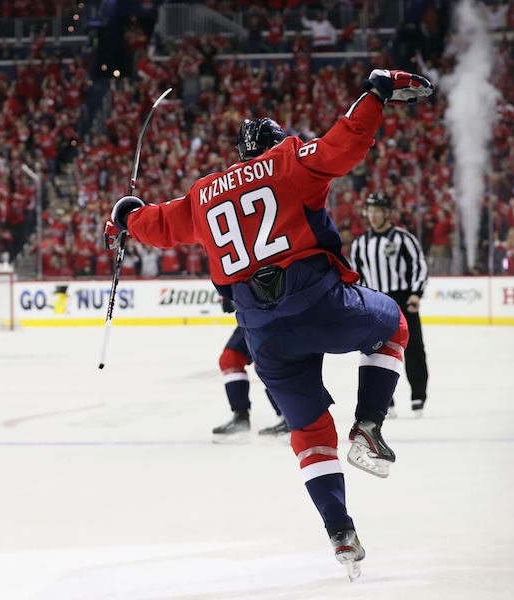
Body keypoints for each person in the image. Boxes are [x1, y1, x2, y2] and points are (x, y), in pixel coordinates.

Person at [105, 68, 434, 580]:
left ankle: (340, 531)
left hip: (263, 333)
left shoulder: (206, 192)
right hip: (317, 301)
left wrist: (126, 216)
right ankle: (369, 423)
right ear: (277, 142)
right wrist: (375, 94)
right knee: (392, 326)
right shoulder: (287, 161)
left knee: (309, 431)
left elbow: (161, 225)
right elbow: (341, 147)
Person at [350, 191, 430, 418]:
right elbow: (356, 276)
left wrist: (416, 294)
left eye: (378, 211)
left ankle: (418, 397)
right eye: (370, 210)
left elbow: (419, 266)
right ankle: (385, 402)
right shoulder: (360, 244)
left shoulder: (404, 239)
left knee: (413, 349)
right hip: (376, 302)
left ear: (387, 213)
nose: (373, 215)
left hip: (403, 299)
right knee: (376, 350)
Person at [213, 297, 289, 442]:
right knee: (231, 358)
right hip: (254, 313)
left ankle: (290, 418)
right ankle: (240, 418)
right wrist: (229, 296)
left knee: (267, 362)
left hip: (277, 310)